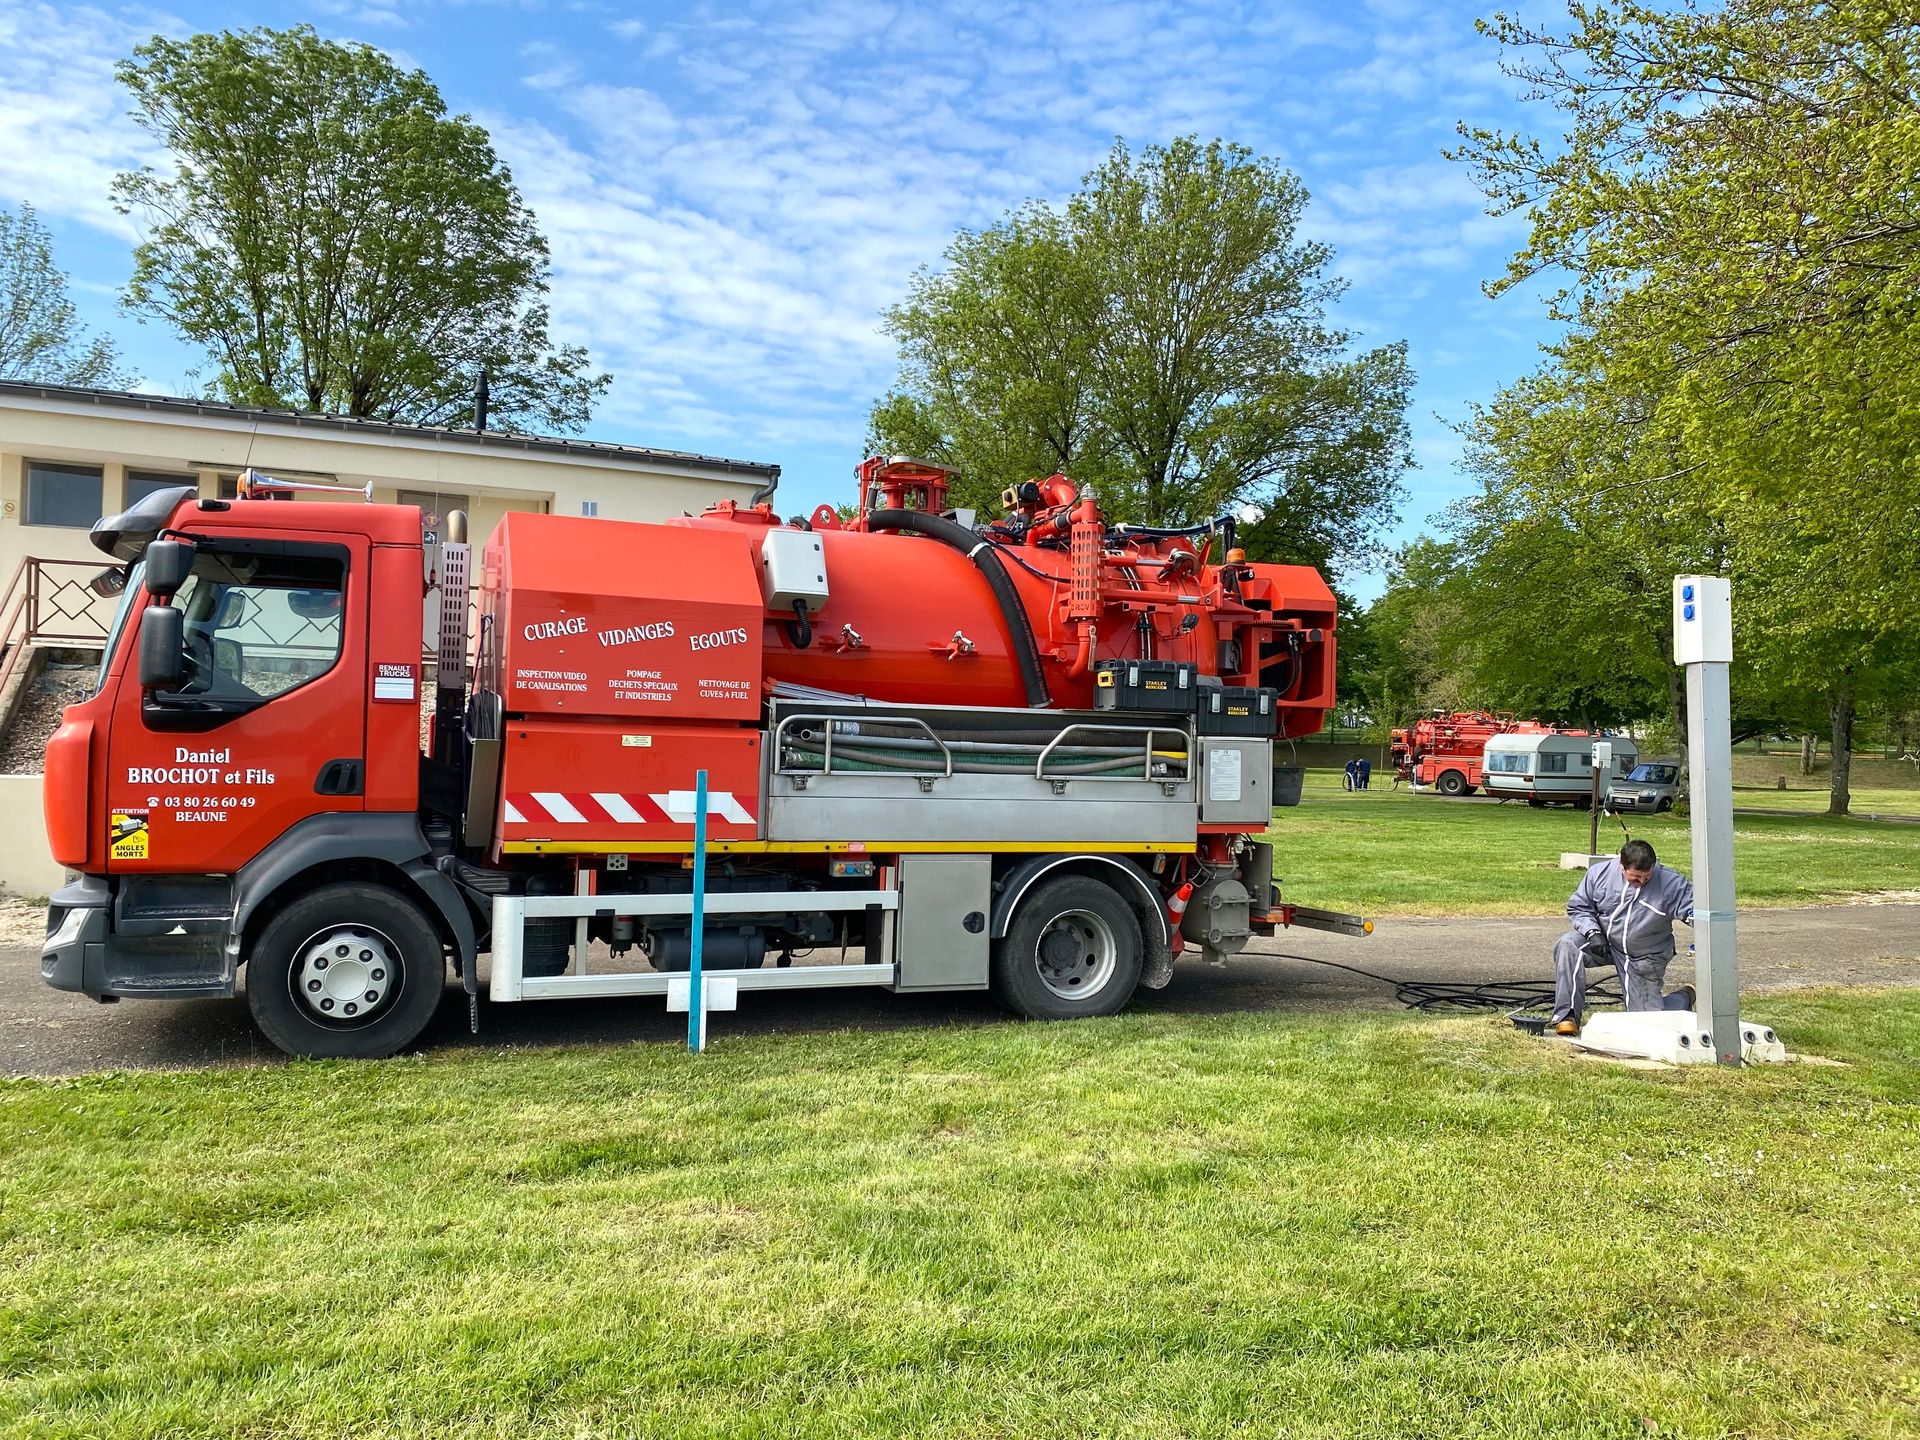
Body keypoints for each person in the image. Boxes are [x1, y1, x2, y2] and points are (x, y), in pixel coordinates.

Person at [1551, 838, 1696, 1036]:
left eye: (1647, 877)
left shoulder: (1672, 884)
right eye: (1636, 878)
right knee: (1568, 944)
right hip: (1603, 944)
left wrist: (1699, 924)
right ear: (1622, 866)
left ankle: (1684, 997)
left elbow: (1697, 912)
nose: (1641, 883)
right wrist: (1593, 933)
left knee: (1648, 1026)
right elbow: (1579, 907)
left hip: (1645, 955)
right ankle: (1566, 1016)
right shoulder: (1599, 873)